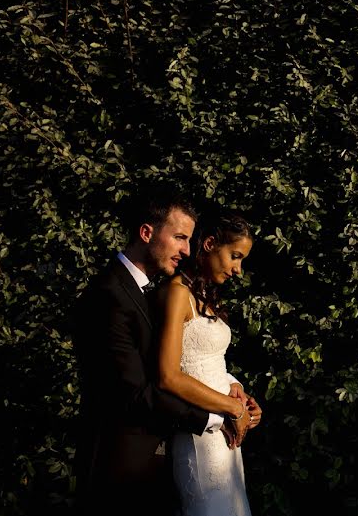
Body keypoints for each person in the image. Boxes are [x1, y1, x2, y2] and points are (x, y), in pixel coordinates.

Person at [72, 191, 260, 516]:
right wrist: (220, 415)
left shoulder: (153, 289)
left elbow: (189, 357)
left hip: (157, 465)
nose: (187, 249)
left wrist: (233, 390)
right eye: (180, 237)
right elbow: (136, 391)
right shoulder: (107, 295)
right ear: (147, 233)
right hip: (120, 470)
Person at [155, 212, 258, 516]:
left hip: (226, 439)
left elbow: (208, 361)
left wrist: (238, 391)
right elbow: (169, 375)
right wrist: (233, 408)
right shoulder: (176, 293)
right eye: (235, 256)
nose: (238, 270)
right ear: (210, 244)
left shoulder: (205, 296)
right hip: (199, 436)